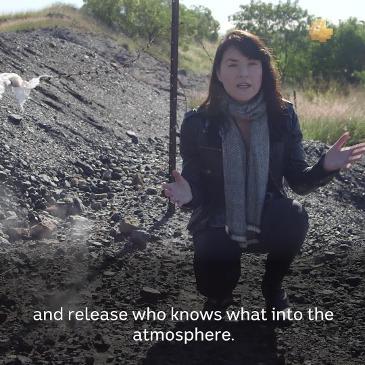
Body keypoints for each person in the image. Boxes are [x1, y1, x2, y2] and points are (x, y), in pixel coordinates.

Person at [162, 30, 365, 317]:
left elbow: (298, 181)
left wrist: (325, 166)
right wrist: (187, 195)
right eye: (232, 64)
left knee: (294, 217)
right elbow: (194, 181)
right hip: (217, 215)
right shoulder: (199, 123)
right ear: (218, 73)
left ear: (263, 71)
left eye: (252, 64)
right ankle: (220, 295)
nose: (243, 73)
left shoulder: (283, 115)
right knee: (213, 284)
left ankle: (272, 286)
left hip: (266, 208)